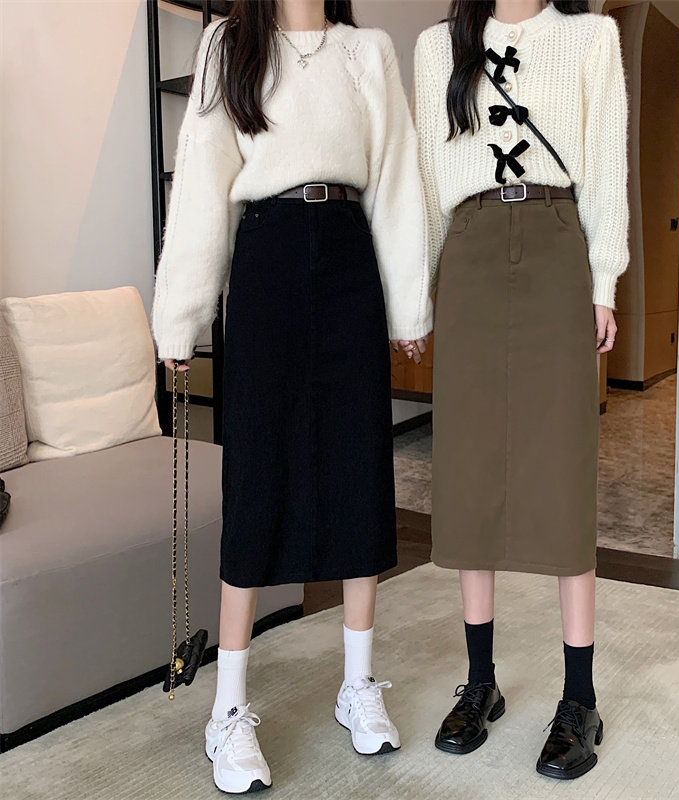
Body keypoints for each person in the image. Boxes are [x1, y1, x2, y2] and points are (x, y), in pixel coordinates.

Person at [151, 0, 431, 793]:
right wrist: (181, 316)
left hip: (348, 259)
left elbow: (397, 178)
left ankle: (358, 686)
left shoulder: (367, 50)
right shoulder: (229, 45)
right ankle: (228, 712)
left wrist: (409, 305)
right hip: (266, 259)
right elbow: (203, 180)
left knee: (358, 470)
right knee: (257, 477)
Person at [413, 0, 628, 780]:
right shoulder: (438, 47)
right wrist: (414, 295)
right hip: (469, 253)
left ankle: (580, 698)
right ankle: (481, 682)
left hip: (556, 244)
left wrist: (604, 282)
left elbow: (606, 165)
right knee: (471, 472)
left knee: (562, 471)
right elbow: (428, 181)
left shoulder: (590, 37)